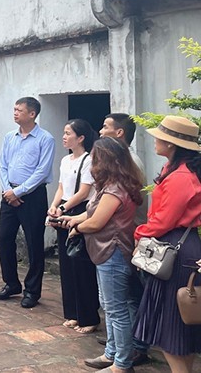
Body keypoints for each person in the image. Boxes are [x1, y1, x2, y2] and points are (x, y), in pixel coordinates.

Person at [62, 137, 144, 373]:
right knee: (116, 305)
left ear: (104, 160)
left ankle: (122, 362)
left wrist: (76, 228)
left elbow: (97, 222)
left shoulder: (115, 189)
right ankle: (113, 352)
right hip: (108, 252)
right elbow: (93, 215)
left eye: (95, 158)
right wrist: (74, 219)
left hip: (113, 252)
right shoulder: (113, 185)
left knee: (115, 308)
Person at [133, 116, 201, 373]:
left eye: (159, 136)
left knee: (171, 328)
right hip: (182, 246)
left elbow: (163, 220)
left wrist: (139, 233)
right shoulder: (176, 171)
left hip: (174, 249)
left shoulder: (180, 177)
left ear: (171, 144)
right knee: (182, 326)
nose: (155, 140)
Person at [99, 112, 151, 366]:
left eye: (106, 127)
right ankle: (123, 347)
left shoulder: (129, 164)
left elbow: (105, 216)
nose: (101, 131)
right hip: (126, 236)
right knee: (123, 299)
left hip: (126, 237)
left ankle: (130, 351)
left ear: (119, 133)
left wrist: (79, 224)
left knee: (122, 301)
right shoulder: (123, 165)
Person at [0, 97, 55, 308]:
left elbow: (42, 171)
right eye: (14, 109)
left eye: (19, 110)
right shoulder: (9, 137)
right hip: (8, 194)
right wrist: (8, 191)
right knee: (4, 239)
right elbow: (3, 165)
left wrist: (19, 191)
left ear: (32, 114)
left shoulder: (45, 139)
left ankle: (32, 290)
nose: (15, 113)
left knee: (34, 243)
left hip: (33, 196)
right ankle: (11, 283)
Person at [46, 119, 100, 334]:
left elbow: (84, 191)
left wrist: (64, 208)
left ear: (81, 138)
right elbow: (61, 187)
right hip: (64, 210)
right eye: (64, 132)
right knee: (66, 265)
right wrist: (54, 206)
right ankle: (72, 313)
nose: (64, 136)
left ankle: (89, 316)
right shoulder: (65, 160)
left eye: (68, 133)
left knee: (82, 265)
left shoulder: (88, 160)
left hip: (79, 211)